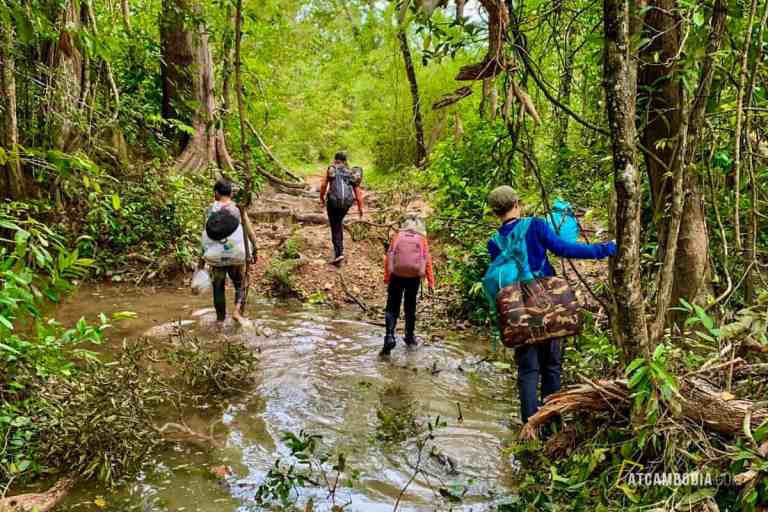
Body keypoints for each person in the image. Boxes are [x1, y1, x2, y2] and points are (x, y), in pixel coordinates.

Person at [486, 186, 616, 424]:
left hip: (518, 310)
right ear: (517, 203)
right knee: (552, 366)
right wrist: (604, 249)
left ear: (495, 212)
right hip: (548, 303)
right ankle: (552, 424)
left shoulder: (494, 242)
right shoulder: (535, 226)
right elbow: (564, 249)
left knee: (527, 370)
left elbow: (501, 280)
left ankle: (530, 427)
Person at [381, 215, 435, 356]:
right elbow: (427, 260)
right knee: (410, 306)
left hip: (396, 275)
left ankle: (389, 336)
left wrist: (387, 277)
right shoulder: (422, 239)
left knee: (392, 306)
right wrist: (431, 282)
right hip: (414, 277)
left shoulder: (398, 236)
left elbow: (389, 257)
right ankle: (409, 337)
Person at [199, 179, 247, 325]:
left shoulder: (209, 210)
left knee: (218, 288)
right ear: (231, 193)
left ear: (216, 193)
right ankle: (237, 312)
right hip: (236, 255)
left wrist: (201, 260)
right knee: (241, 284)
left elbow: (206, 235)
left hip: (215, 257)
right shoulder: (237, 209)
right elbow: (248, 231)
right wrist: (254, 249)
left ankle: (220, 321)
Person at [319, 152, 364, 264]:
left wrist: (321, 197)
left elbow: (324, 185)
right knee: (338, 223)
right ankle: (340, 251)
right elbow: (357, 192)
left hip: (333, 202)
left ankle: (339, 254)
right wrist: (360, 207)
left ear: (335, 160)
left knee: (335, 225)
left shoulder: (332, 169)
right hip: (346, 204)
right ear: (345, 161)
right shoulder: (350, 173)